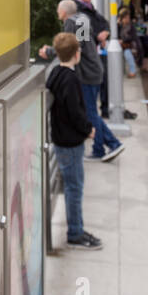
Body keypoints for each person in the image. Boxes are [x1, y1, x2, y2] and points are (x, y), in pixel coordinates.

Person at [39, 0, 126, 161]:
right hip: (93, 71)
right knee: (90, 111)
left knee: (90, 113)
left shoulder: (72, 23)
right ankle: (106, 146)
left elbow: (73, 47)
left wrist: (50, 51)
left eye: (58, 10)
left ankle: (108, 145)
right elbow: (81, 45)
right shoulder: (82, 19)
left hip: (87, 74)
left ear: (63, 12)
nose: (58, 13)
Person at [45, 32, 102, 250]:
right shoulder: (70, 79)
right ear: (77, 54)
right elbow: (75, 111)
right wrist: (88, 129)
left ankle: (76, 229)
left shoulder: (56, 73)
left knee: (72, 186)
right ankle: (75, 233)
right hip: (70, 142)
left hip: (61, 139)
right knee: (74, 188)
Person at [74, 0, 111, 119]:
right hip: (89, 56)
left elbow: (104, 22)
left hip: (95, 53)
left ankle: (103, 110)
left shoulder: (90, 8)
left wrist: (106, 32)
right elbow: (82, 37)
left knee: (103, 80)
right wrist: (98, 37)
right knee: (94, 88)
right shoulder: (78, 11)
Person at [118, 9, 145, 77]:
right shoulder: (118, 25)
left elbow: (133, 37)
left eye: (128, 17)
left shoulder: (131, 26)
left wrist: (123, 40)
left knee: (127, 52)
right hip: (121, 44)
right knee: (127, 51)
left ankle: (133, 71)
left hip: (129, 44)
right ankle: (133, 70)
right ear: (122, 18)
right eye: (126, 18)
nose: (127, 19)